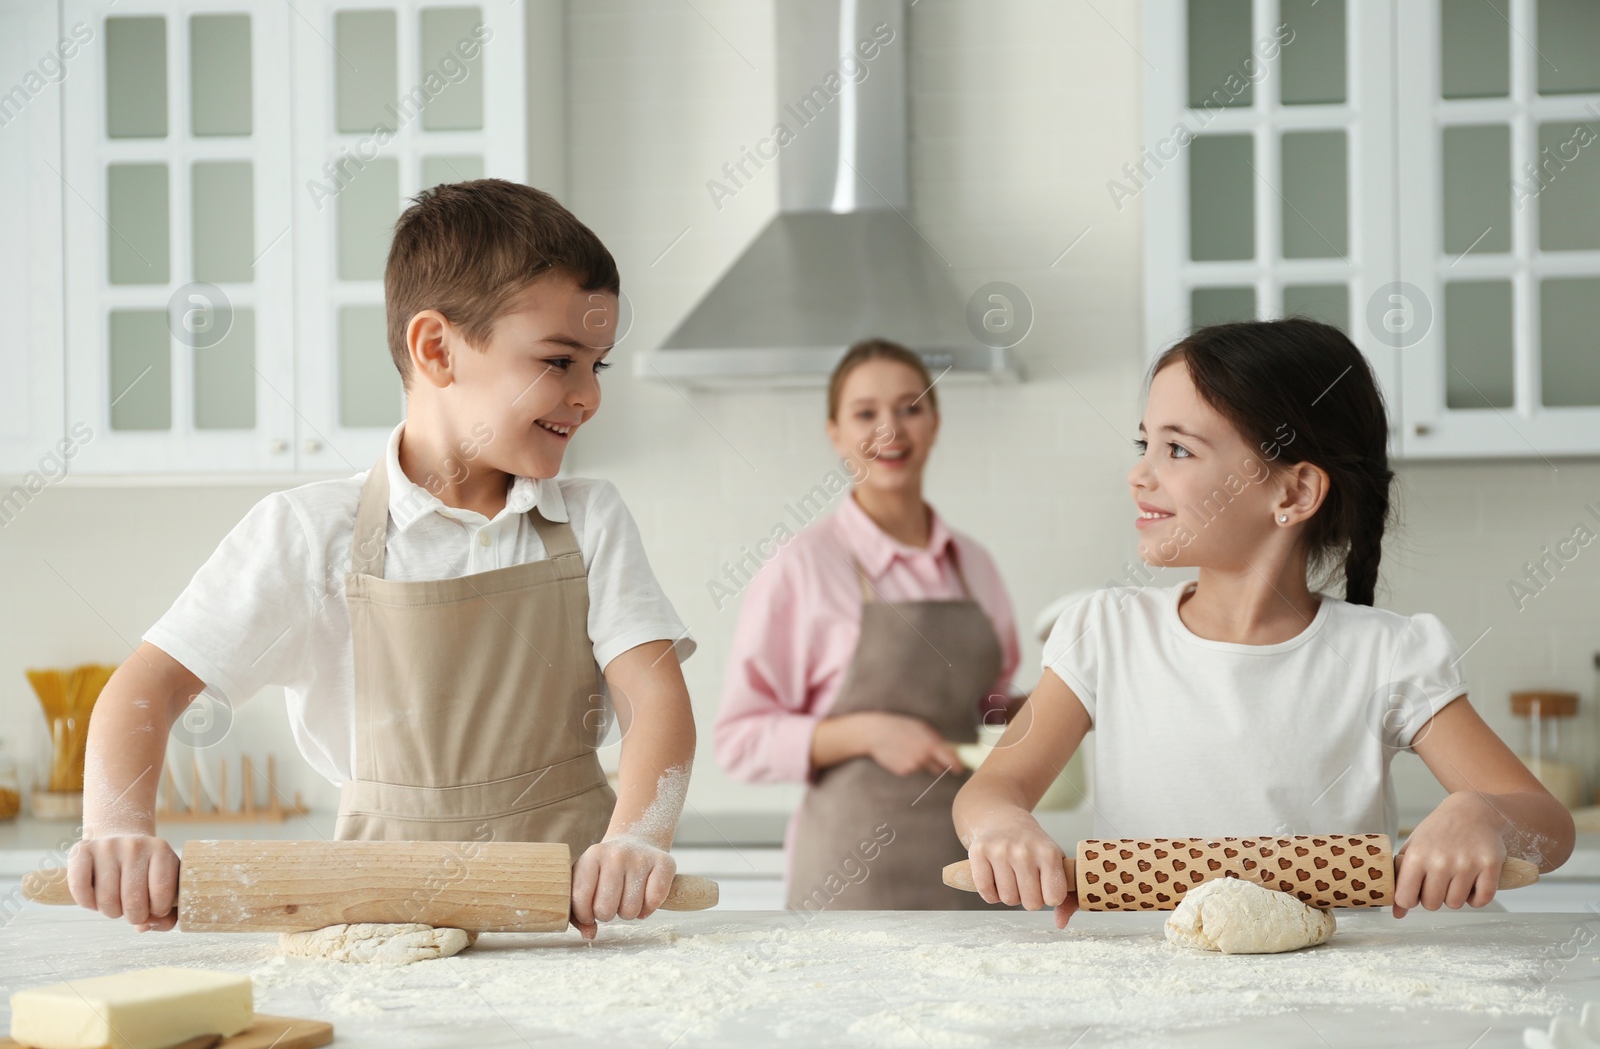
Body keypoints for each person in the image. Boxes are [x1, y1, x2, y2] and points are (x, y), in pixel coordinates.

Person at [69, 180, 696, 940]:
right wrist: (116, 830)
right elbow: (148, 687)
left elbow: (655, 699)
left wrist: (636, 839)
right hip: (380, 932)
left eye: (599, 366)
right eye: (560, 361)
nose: (588, 395)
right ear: (436, 348)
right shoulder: (309, 535)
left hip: (571, 927)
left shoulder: (590, 521)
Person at [953, 318, 1576, 926]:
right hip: (1147, 988)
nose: (1138, 473)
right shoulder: (1106, 634)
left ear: (1293, 493)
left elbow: (1547, 826)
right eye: (1145, 445)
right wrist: (1000, 824)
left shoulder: (1388, 655)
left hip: (1337, 992)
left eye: (1177, 449)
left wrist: (1484, 814)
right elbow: (992, 788)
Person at [716, 339, 1021, 910]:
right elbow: (738, 740)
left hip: (973, 870)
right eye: (865, 413)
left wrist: (1049, 706)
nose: (891, 429)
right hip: (851, 881)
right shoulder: (802, 564)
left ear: (935, 422)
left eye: (911, 407)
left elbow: (987, 709)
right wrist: (869, 733)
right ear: (834, 432)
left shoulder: (973, 562)